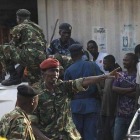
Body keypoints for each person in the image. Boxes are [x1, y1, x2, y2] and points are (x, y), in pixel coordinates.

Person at [31, 58, 120, 140]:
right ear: (43, 73)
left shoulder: (63, 87)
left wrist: (103, 76)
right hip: (48, 136)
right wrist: (44, 138)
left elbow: (83, 81)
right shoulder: (35, 93)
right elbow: (31, 122)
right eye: (51, 71)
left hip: (68, 136)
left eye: (57, 71)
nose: (55, 74)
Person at [64, 44, 101, 140]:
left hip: (75, 105)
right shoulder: (93, 65)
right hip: (91, 104)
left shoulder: (69, 70)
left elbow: (66, 90)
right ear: (82, 52)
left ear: (71, 55)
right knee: (91, 135)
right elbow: (101, 82)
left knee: (76, 136)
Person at [0, 9, 46, 86]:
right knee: (35, 83)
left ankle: (14, 77)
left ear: (19, 18)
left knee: (2, 49)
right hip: (41, 57)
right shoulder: (38, 28)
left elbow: (13, 45)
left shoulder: (18, 27)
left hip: (28, 55)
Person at [113, 53, 138, 140]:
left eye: (126, 60)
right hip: (120, 115)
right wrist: (130, 90)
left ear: (133, 61)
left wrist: (122, 92)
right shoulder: (120, 75)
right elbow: (114, 88)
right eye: (123, 60)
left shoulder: (137, 75)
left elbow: (137, 94)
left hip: (134, 115)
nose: (124, 62)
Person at [101, 55, 121, 140]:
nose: (103, 65)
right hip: (105, 109)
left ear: (112, 63)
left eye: (105, 63)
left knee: (111, 133)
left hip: (112, 110)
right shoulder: (107, 76)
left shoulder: (116, 76)